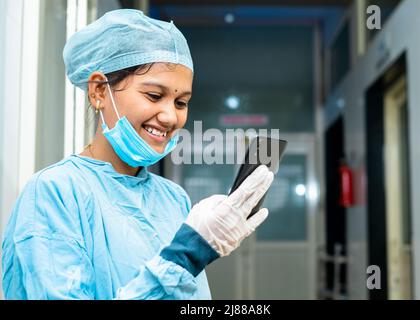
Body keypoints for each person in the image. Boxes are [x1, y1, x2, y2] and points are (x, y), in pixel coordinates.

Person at [1, 9, 273, 300]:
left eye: (181, 102)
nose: (170, 116)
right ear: (98, 92)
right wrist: (186, 255)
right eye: (154, 96)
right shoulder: (54, 194)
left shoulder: (174, 199)